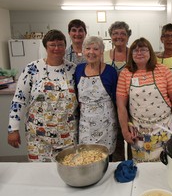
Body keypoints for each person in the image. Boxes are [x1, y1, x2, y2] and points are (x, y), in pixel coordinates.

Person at [7, 29, 78, 162]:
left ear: (65, 47)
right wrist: (13, 129)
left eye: (60, 44)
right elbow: (19, 100)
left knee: (68, 173)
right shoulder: (32, 69)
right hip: (38, 137)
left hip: (68, 136)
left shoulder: (73, 69)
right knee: (40, 174)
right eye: (52, 44)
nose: (56, 48)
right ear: (46, 47)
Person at [117, 37, 172, 162]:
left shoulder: (163, 70)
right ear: (131, 55)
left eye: (143, 50)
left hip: (163, 127)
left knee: (165, 163)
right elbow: (121, 106)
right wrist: (125, 130)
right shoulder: (125, 74)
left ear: (150, 52)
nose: (139, 53)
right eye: (135, 51)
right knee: (141, 165)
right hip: (138, 129)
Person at [74, 36, 118, 159]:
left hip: (106, 125)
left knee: (106, 157)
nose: (91, 52)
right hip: (85, 125)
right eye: (87, 48)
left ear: (102, 52)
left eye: (96, 49)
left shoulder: (110, 72)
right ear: (83, 51)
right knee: (86, 157)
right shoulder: (78, 70)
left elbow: (117, 100)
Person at [103, 21, 132, 161]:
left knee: (133, 135)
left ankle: (133, 163)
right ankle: (118, 165)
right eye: (115, 33)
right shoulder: (104, 56)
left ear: (128, 36)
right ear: (110, 36)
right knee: (115, 137)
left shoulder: (135, 54)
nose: (119, 36)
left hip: (133, 103)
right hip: (110, 103)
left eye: (123, 33)